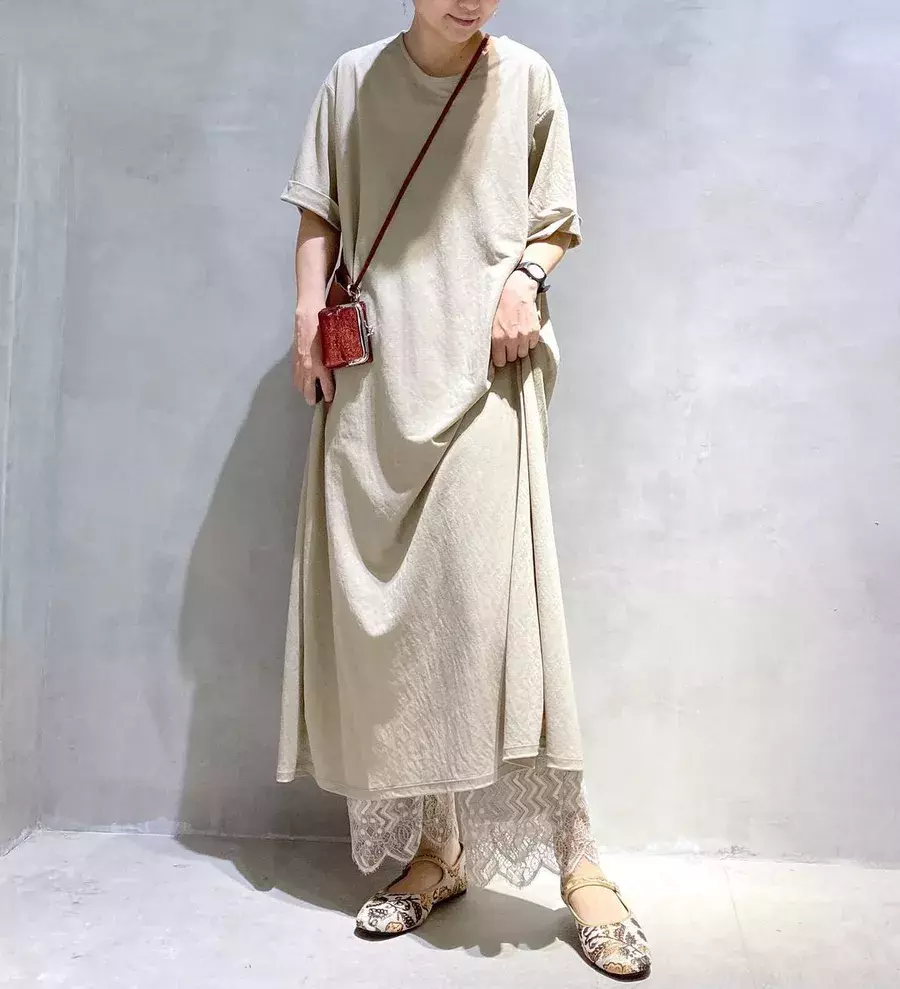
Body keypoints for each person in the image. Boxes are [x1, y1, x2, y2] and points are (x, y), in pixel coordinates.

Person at [277, 0, 651, 977]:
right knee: (408, 629)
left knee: (501, 618)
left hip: (485, 371)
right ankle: (439, 850)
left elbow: (555, 220)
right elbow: (320, 210)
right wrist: (308, 317)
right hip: (375, 383)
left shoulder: (525, 78)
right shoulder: (351, 80)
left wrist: (526, 277)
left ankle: (579, 860)